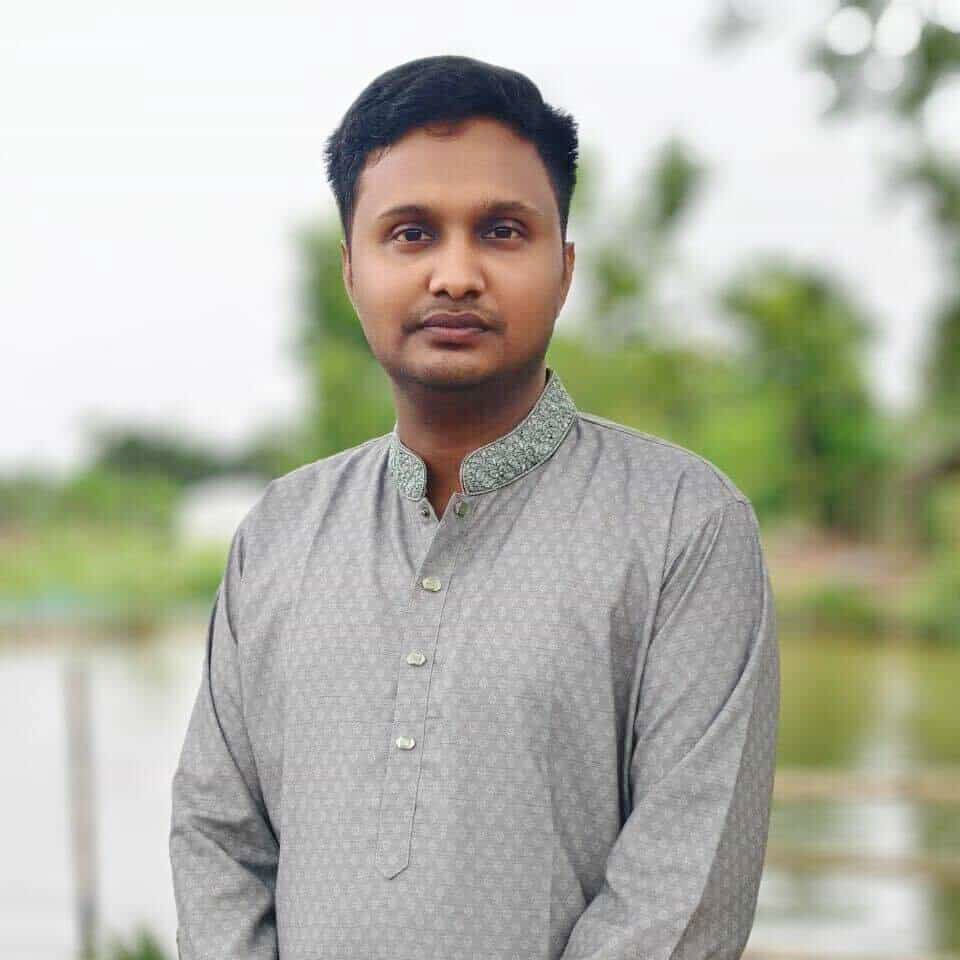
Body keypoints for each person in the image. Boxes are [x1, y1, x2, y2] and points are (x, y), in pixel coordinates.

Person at [169, 54, 780, 960]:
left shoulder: (684, 527)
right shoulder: (280, 532)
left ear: (563, 268)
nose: (455, 275)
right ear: (351, 270)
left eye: (501, 231)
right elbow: (216, 835)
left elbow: (682, 895)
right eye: (411, 234)